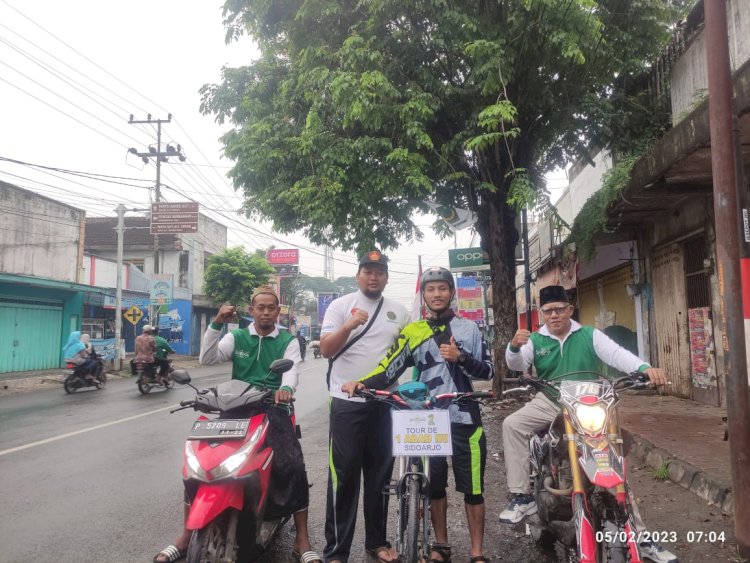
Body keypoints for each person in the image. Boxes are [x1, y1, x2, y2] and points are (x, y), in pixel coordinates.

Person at [502, 285, 679, 563]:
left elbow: (618, 355)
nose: (554, 315)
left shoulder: (589, 335)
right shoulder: (535, 340)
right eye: (548, 311)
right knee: (512, 424)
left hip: (589, 406)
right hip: (550, 402)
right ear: (542, 314)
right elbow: (516, 363)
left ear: (570, 310)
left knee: (611, 464)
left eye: (560, 309)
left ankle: (642, 538)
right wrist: (513, 346)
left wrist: (645, 369)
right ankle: (521, 497)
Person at [153, 285, 321, 563]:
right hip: (234, 407)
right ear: (251, 310)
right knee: (198, 463)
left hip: (272, 407)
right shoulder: (238, 336)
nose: (266, 312)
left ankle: (301, 540)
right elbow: (207, 359)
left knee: (292, 465)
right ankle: (185, 535)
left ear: (277, 312)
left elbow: (291, 372)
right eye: (260, 307)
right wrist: (217, 323)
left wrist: (286, 390)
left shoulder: (288, 340)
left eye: (271, 307)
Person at [342, 266, 494, 563]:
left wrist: (461, 358)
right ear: (423, 295)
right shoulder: (412, 331)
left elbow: (489, 370)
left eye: (442, 289)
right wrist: (363, 382)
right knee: (434, 486)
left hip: (464, 416)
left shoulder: (469, 329)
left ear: (451, 292)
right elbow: (389, 367)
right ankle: (441, 546)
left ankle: (477, 553)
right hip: (428, 418)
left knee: (473, 489)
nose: (436, 294)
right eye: (430, 289)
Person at [320, 249, 410, 563]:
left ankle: (377, 542)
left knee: (380, 477)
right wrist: (348, 326)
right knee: (343, 478)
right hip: (346, 405)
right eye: (368, 271)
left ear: (386, 276)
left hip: (384, 404)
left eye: (380, 271)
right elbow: (325, 349)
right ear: (359, 275)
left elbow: (402, 359)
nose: (374, 277)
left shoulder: (399, 311)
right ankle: (336, 551)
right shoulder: (340, 306)